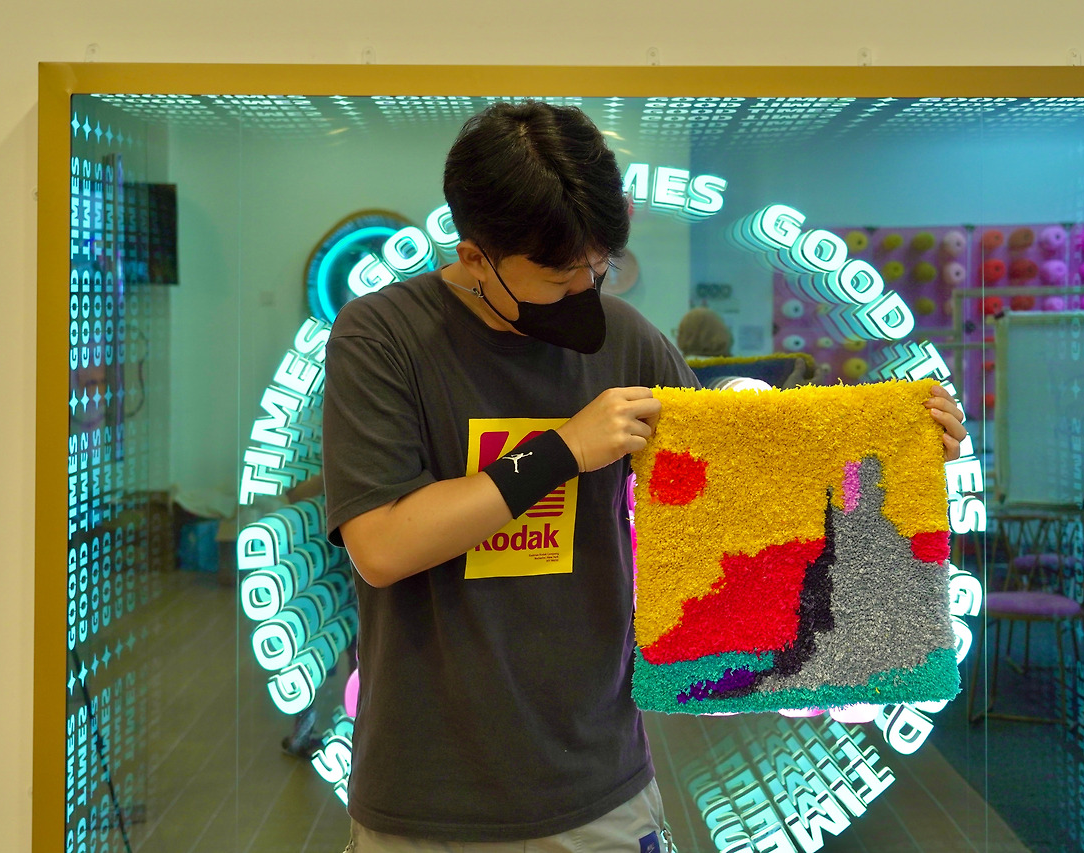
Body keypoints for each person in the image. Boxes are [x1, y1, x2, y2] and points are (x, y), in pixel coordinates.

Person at [322, 100, 968, 852]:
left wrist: (894, 448)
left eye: (597, 271)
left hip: (598, 785)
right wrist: (561, 450)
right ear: (474, 258)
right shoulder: (382, 337)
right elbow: (382, 544)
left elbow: (745, 488)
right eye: (557, 279)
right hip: (425, 797)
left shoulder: (627, 341)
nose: (584, 295)